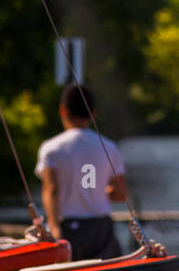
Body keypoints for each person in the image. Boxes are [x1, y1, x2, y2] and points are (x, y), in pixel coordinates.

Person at [35, 83, 129, 260]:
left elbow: (51, 190)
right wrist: (98, 191)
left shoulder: (51, 148)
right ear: (93, 112)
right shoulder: (109, 147)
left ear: (63, 110)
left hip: (68, 228)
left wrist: (54, 226)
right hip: (102, 229)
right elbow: (122, 194)